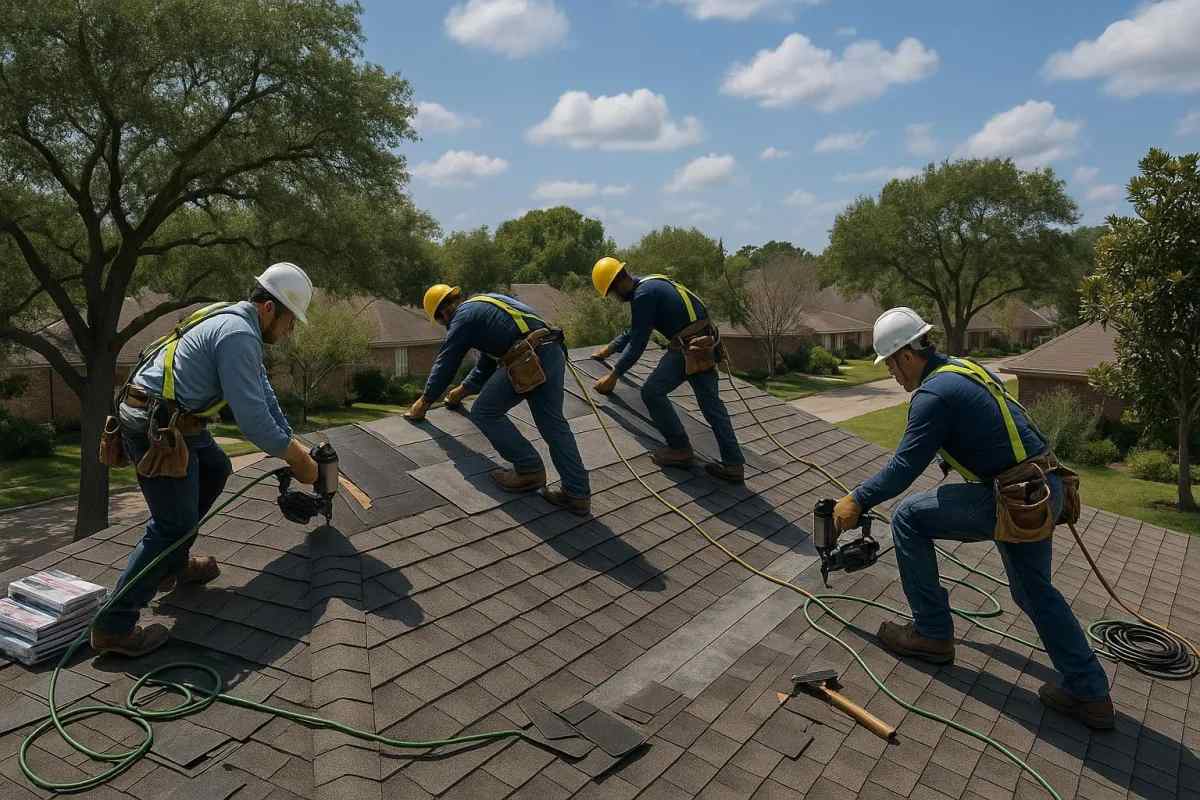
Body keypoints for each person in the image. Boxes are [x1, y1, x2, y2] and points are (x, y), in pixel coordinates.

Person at [835, 307, 1114, 729]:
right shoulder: (963, 368)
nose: (892, 373)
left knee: (909, 516)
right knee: (1034, 591)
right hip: (1041, 488)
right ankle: (1090, 693)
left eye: (891, 363)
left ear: (907, 355)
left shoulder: (933, 395)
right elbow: (994, 429)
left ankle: (931, 634)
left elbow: (902, 470)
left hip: (1013, 497)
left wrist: (857, 499)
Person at [92, 263, 320, 657]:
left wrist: (291, 440)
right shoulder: (237, 335)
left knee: (217, 468)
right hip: (154, 427)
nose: (290, 331)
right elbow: (252, 420)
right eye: (290, 321)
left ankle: (171, 565)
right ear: (268, 308)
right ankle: (113, 625)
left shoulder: (234, 319)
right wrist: (298, 459)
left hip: (176, 421)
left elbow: (262, 394)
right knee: (172, 524)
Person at [405, 284, 591, 516]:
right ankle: (577, 494)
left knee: (484, 412)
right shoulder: (485, 303)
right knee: (553, 425)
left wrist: (424, 401)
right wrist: (462, 391)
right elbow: (487, 362)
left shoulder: (462, 319)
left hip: (528, 356)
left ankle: (528, 469)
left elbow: (447, 361)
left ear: (442, 315)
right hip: (550, 350)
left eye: (443, 323)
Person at [590, 256, 744, 483]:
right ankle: (734, 464)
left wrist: (614, 375)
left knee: (651, 392)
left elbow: (638, 342)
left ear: (618, 283)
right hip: (705, 343)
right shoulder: (653, 283)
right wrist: (610, 349)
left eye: (612, 293)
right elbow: (636, 330)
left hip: (688, 347)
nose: (615, 298)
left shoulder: (643, 296)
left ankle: (680, 449)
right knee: (713, 407)